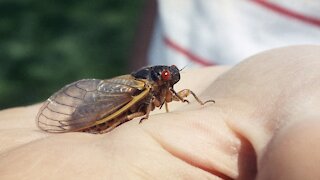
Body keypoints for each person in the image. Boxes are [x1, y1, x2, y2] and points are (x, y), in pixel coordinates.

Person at [0, 45, 320, 179]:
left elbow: (181, 94)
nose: (172, 79)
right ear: (160, 79)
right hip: (121, 96)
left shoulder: (169, 87)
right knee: (116, 109)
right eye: (168, 77)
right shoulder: (145, 86)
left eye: (172, 77)